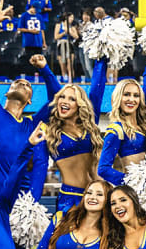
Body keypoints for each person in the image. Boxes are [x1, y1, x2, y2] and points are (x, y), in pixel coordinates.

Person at [0, 8, 62, 214]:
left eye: (27, 84)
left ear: (30, 101)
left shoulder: (32, 125)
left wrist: (45, 69)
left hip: (23, 206)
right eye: (17, 82)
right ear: (6, 93)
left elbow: (59, 99)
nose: (22, 82)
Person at [30, 55, 105, 213]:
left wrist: (102, 57)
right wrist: (30, 206)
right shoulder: (48, 134)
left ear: (79, 105)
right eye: (61, 97)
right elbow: (40, 169)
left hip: (97, 195)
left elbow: (97, 91)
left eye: (71, 99)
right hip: (70, 200)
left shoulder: (90, 125)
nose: (64, 101)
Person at [97, 57, 146, 184]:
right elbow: (103, 169)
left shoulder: (143, 122)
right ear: (118, 98)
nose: (131, 99)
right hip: (135, 191)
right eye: (126, 94)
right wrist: (132, 182)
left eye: (136, 95)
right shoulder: (116, 130)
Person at [53, 13, 75, 83]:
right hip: (61, 45)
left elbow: (76, 36)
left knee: (70, 65)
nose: (72, 19)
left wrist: (69, 32)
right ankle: (64, 80)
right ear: (66, 18)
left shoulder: (72, 27)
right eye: (71, 17)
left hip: (69, 45)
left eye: (73, 18)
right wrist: (63, 33)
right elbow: (56, 37)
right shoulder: (59, 25)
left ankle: (70, 81)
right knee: (62, 65)